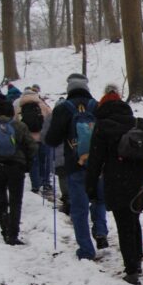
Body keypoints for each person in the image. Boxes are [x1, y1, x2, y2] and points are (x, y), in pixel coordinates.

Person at [85, 84, 143, 285]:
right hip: (142, 180)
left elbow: (95, 160)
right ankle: (136, 261)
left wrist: (91, 187)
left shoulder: (103, 127)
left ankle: (132, 268)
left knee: (124, 223)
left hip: (116, 181)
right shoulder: (139, 123)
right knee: (134, 219)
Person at [44, 73, 109, 260]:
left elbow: (52, 139)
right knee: (99, 199)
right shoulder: (96, 106)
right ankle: (101, 231)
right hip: (98, 164)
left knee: (79, 209)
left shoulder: (64, 108)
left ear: (69, 88)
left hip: (75, 165)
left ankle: (86, 250)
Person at [0, 101, 37, 245]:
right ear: (12, 112)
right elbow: (32, 147)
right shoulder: (20, 126)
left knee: (1, 200)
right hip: (16, 167)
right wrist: (27, 163)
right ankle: (13, 234)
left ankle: (5, 230)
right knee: (16, 201)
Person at [15, 85, 53, 197]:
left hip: (29, 140)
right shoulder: (42, 104)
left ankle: (35, 185)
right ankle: (46, 183)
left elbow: (16, 123)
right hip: (43, 138)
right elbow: (50, 118)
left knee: (34, 162)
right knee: (45, 161)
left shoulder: (19, 107)